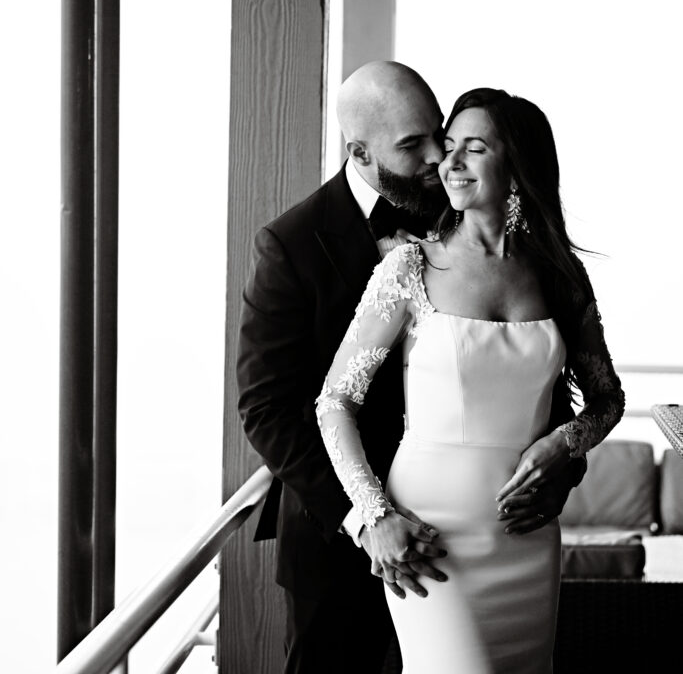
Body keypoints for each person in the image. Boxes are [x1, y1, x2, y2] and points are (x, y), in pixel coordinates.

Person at [237, 65, 588, 674]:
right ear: (360, 153)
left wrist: (563, 463)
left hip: (499, 534)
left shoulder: (470, 206)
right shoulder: (290, 244)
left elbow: (534, 372)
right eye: (412, 145)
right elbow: (267, 409)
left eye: (438, 135)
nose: (436, 158)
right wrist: (368, 519)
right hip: (339, 543)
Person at [316, 86, 625, 673]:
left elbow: (607, 399)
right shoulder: (409, 267)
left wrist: (565, 443)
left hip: (526, 534)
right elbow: (334, 401)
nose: (449, 162)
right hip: (429, 536)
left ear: (517, 166)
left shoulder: (560, 273)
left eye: (474, 148)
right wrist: (375, 516)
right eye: (449, 145)